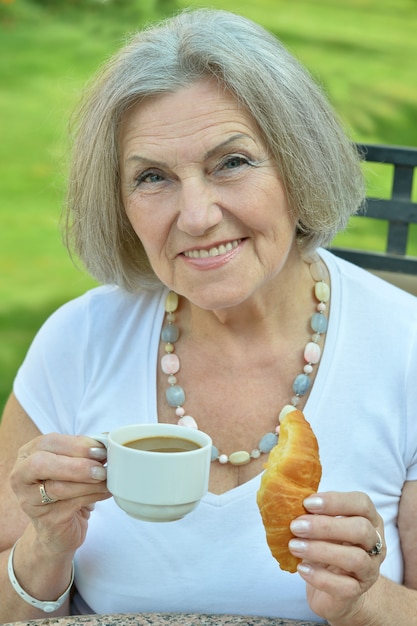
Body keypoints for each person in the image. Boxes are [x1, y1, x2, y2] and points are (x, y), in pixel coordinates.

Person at [0, 8, 416, 625]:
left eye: (232, 162)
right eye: (153, 177)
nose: (195, 215)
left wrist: (363, 599)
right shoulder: (77, 341)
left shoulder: (404, 348)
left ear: (298, 166)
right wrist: (45, 546)